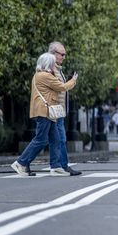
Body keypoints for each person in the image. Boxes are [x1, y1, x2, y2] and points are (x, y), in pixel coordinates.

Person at [11, 53, 77, 177]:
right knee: (41, 139)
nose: (54, 65)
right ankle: (21, 162)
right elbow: (62, 87)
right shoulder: (45, 76)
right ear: (48, 64)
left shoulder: (41, 75)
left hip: (48, 111)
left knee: (55, 139)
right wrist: (73, 81)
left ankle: (56, 167)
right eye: (53, 63)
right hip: (44, 111)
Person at [48, 42, 82, 176]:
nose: (64, 57)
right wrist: (71, 82)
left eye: (64, 54)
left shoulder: (57, 69)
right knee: (55, 139)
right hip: (54, 110)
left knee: (58, 139)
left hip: (59, 110)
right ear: (53, 54)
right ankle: (60, 166)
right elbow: (59, 88)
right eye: (62, 54)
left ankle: (59, 165)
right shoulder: (50, 69)